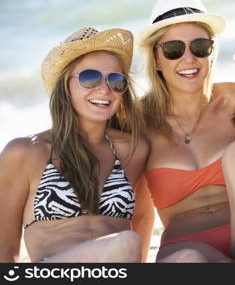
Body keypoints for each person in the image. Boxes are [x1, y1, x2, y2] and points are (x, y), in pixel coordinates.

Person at [135, 0, 235, 262]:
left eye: (200, 47)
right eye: (173, 50)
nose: (189, 59)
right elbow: (139, 212)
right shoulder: (137, 124)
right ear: (156, 60)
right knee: (187, 261)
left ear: (212, 51)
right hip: (185, 251)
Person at [0, 27, 154, 262]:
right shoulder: (26, 152)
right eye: (89, 78)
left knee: (184, 258)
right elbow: (5, 247)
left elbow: (141, 218)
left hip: (116, 269)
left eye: (115, 80)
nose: (104, 89)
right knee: (125, 242)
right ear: (65, 86)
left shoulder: (132, 149)